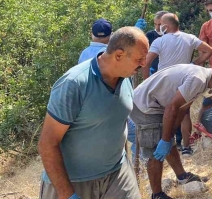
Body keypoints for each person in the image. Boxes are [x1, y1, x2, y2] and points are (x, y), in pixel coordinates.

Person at [38, 27, 148, 199]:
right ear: (118, 55)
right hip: (74, 182)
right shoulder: (74, 84)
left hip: (117, 176)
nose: (144, 64)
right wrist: (67, 195)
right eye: (139, 59)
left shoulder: (126, 77)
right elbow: (47, 143)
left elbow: (118, 124)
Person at [131, 64, 212, 199]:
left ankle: (182, 176)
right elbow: (172, 107)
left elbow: (182, 109)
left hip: (155, 104)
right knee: (156, 147)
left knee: (168, 139)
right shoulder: (198, 79)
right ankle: (157, 194)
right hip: (144, 105)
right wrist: (164, 139)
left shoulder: (203, 80)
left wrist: (170, 135)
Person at [142, 13, 212, 156]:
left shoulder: (159, 42)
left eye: (160, 24)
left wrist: (148, 81)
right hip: (185, 79)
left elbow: (146, 62)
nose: (158, 27)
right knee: (184, 113)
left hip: (166, 81)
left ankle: (167, 144)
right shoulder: (189, 38)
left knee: (164, 114)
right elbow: (209, 51)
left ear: (166, 26)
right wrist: (195, 63)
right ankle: (186, 147)